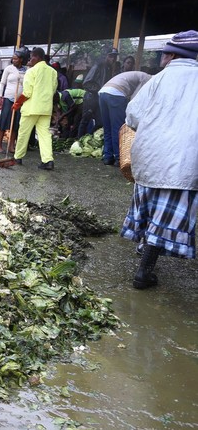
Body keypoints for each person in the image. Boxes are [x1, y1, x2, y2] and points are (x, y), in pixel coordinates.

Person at [120, 30, 198, 289]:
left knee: (151, 208)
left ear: (172, 55)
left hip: (150, 157)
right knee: (165, 214)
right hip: (185, 162)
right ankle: (144, 271)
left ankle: (145, 258)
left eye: (164, 54)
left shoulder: (158, 79)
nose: (161, 58)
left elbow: (133, 116)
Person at [11, 48, 59, 170]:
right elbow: (53, 90)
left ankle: (18, 157)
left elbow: (27, 93)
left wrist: (17, 103)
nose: (30, 60)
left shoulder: (31, 71)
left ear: (37, 57)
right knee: (44, 135)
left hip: (31, 108)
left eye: (31, 57)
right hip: (45, 108)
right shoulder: (53, 72)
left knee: (23, 133)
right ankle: (48, 160)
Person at [98, 71, 151, 166]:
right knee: (118, 128)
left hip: (103, 93)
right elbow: (135, 98)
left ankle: (108, 157)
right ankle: (119, 158)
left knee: (107, 127)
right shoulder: (148, 79)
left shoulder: (139, 75)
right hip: (116, 94)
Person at [79, 47, 118, 137]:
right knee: (85, 120)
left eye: (115, 57)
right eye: (111, 56)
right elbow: (86, 83)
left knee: (100, 123)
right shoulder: (98, 66)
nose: (113, 59)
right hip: (91, 98)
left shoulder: (108, 68)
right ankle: (79, 139)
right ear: (106, 56)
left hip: (99, 98)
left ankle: (87, 138)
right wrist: (99, 90)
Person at [0, 48, 28, 154]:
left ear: (21, 59)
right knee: (4, 120)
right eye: (13, 59)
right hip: (8, 98)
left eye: (16, 59)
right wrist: (0, 96)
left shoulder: (26, 70)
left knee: (16, 123)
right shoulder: (8, 69)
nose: (14, 60)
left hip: (20, 100)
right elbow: (2, 83)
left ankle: (11, 146)